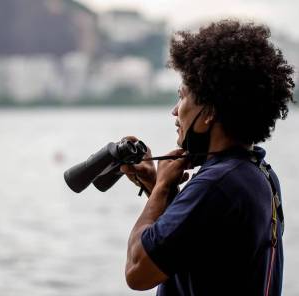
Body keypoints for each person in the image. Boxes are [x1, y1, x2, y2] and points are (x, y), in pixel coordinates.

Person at [120, 20, 294, 296]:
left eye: (182, 97)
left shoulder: (218, 184)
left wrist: (162, 188)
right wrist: (156, 184)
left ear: (210, 112)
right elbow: (196, 237)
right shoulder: (257, 173)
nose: (175, 111)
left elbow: (138, 271)